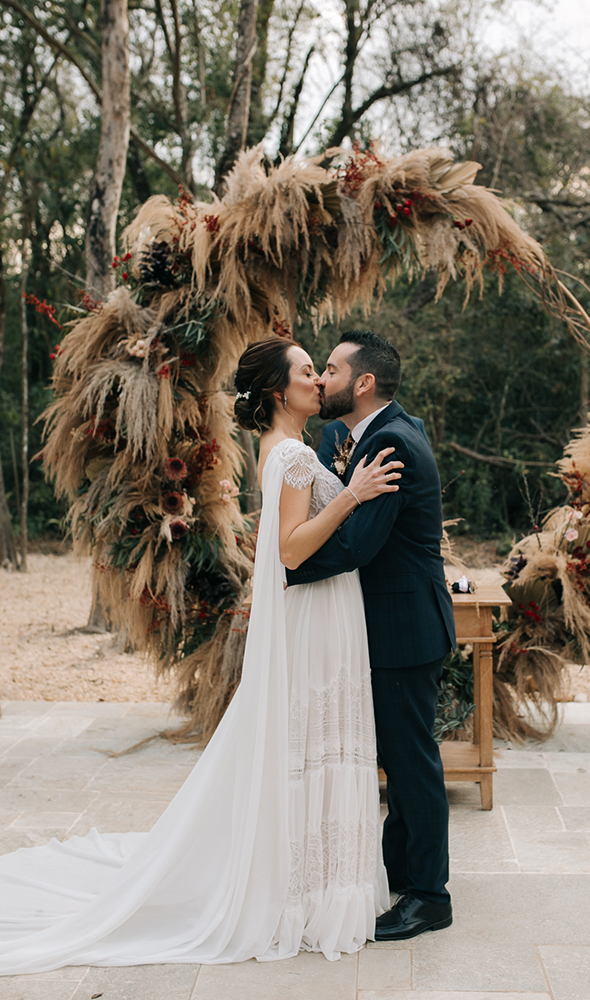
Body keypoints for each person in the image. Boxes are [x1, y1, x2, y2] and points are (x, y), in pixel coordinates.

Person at [0, 337, 404, 973]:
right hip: (317, 614)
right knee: (310, 743)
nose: (317, 381)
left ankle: (318, 888)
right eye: (306, 373)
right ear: (280, 392)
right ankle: (310, 897)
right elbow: (292, 550)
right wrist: (352, 494)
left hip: (325, 610)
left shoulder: (286, 451)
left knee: (307, 743)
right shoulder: (293, 456)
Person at [287, 329, 457, 942]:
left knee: (412, 763)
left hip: (403, 628)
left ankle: (429, 896)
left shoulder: (389, 442)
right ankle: (401, 872)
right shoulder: (378, 432)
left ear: (362, 383)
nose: (320, 379)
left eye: (329, 370)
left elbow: (359, 546)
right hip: (395, 623)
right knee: (400, 758)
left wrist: (283, 565)